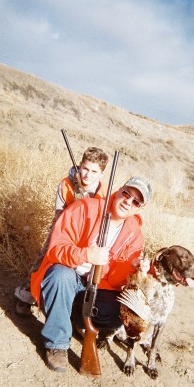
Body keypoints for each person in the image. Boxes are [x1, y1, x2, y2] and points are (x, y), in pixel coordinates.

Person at [30, 176, 152, 373]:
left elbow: (115, 281)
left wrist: (133, 268)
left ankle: (75, 321)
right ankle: (57, 344)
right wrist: (86, 254)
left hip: (98, 286)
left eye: (136, 201)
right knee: (59, 277)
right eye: (126, 193)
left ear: (139, 209)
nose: (128, 201)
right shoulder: (84, 208)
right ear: (118, 190)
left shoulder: (134, 233)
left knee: (117, 313)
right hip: (68, 273)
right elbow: (55, 249)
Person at [15, 147, 109, 316]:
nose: (88, 175)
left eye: (94, 171)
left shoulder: (104, 193)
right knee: (44, 259)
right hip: (63, 230)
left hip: (88, 236)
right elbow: (59, 216)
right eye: (85, 169)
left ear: (101, 174)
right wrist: (77, 206)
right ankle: (25, 296)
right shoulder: (66, 184)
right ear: (80, 165)